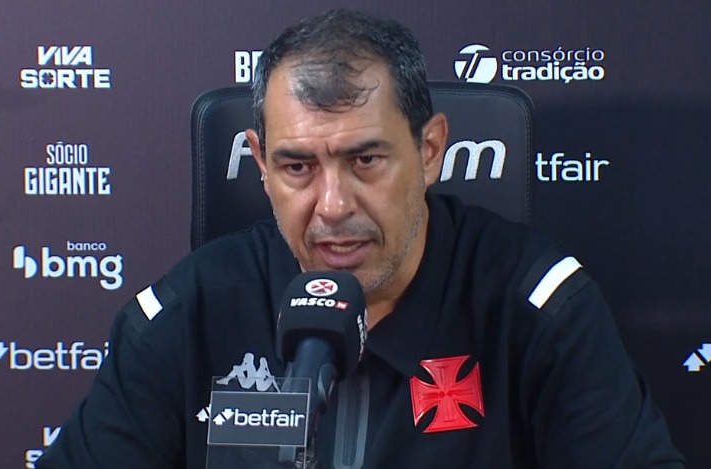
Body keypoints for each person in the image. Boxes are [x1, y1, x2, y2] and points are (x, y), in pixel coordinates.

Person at [36, 8, 685, 469]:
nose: (333, 206)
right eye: (298, 167)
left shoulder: (539, 309)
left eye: (366, 160)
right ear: (259, 163)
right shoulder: (189, 312)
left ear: (430, 151)